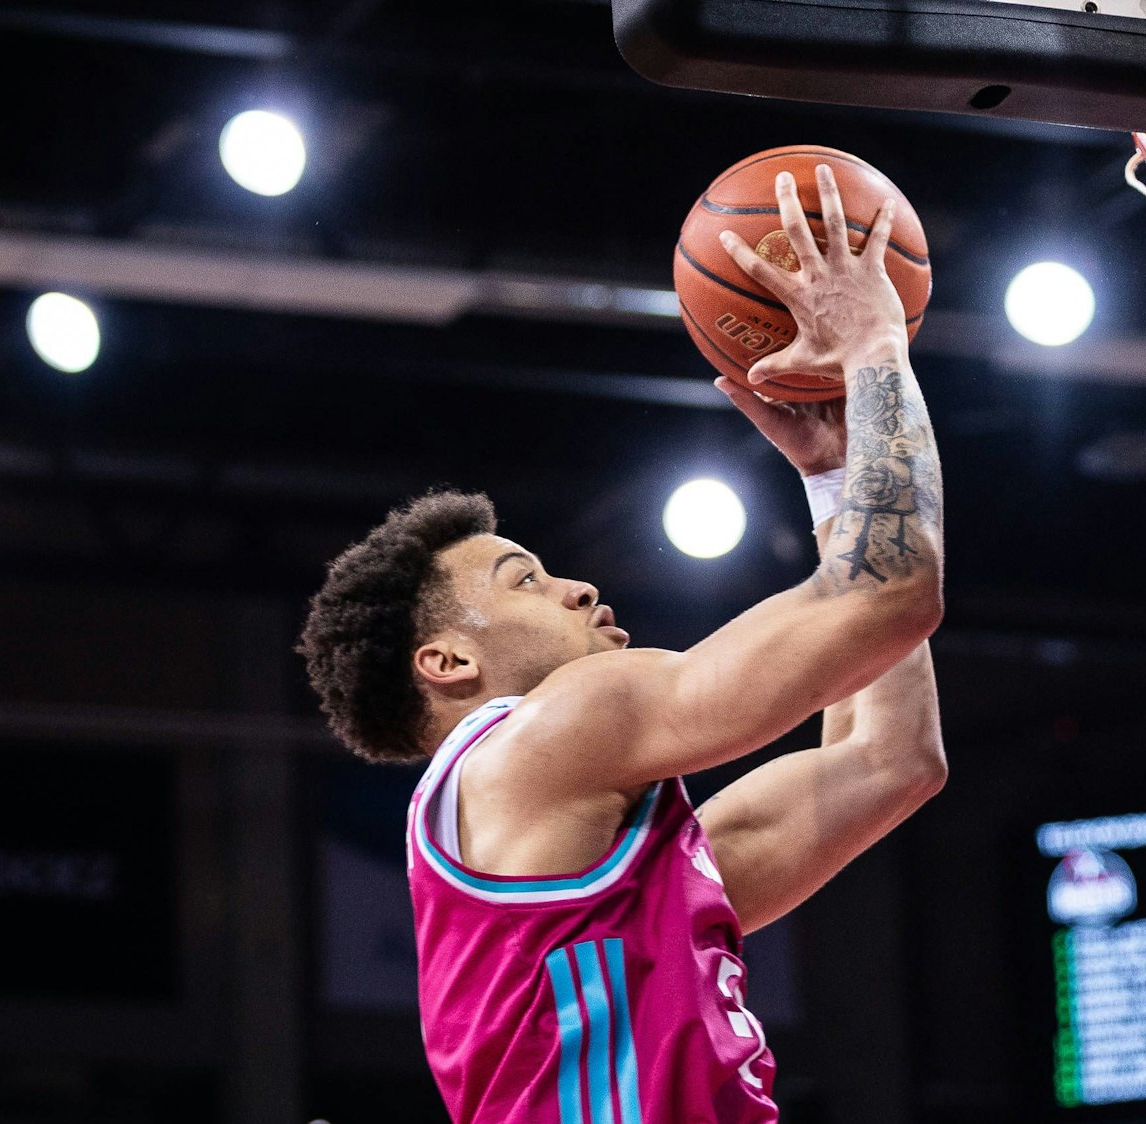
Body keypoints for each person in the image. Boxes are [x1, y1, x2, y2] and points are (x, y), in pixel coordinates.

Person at [294, 164, 945, 1124]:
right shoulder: (548, 732)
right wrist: (873, 344)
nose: (578, 585)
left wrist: (844, 475)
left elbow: (887, 762)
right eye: (524, 579)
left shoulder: (617, 867)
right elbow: (890, 591)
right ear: (447, 662)